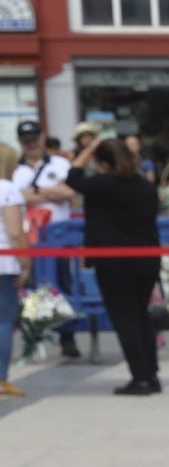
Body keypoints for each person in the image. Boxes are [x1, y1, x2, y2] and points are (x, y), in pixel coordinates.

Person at [65, 139, 163, 396]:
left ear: (102, 163)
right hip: (147, 259)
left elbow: (72, 176)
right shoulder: (145, 186)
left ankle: (140, 377)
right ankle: (150, 373)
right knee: (140, 315)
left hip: (114, 261)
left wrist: (89, 147)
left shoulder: (101, 185)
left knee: (125, 318)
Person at [12, 120, 81, 359]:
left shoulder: (60, 163)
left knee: (62, 288)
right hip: (27, 239)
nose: (31, 144)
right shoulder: (15, 168)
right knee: (27, 292)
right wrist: (50, 192)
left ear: (42, 138)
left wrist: (35, 193)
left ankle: (68, 338)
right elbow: (14, 197)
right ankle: (32, 343)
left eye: (34, 138)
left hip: (57, 238)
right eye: (26, 140)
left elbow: (69, 192)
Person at [0, 142, 25, 397]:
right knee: (3, 322)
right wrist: (26, 262)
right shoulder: (8, 189)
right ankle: (1, 377)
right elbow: (15, 231)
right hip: (4, 261)